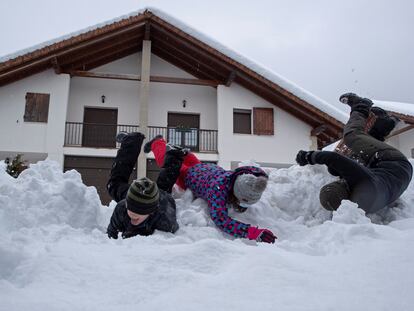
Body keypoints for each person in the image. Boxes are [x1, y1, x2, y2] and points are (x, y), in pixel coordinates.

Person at [144, 136, 277, 244]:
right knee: (166, 161)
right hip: (187, 176)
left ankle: (177, 151)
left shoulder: (236, 175)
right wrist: (252, 232)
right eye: (244, 203)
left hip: (201, 167)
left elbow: (254, 171)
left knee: (180, 155)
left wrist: (260, 179)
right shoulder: (218, 191)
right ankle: (157, 143)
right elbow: (222, 221)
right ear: (236, 195)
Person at [296, 93, 413, 213]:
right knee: (352, 137)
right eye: (340, 184)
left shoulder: (361, 207)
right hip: (391, 160)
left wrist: (335, 170)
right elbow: (331, 157)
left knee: (356, 155)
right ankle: (361, 106)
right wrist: (308, 157)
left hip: (398, 176)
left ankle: (384, 125)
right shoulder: (361, 181)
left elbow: (346, 167)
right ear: (344, 188)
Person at [106, 132, 182, 239]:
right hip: (135, 195)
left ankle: (175, 155)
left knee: (165, 184)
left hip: (162, 198)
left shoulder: (165, 221)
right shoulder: (122, 209)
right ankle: (131, 141)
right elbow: (110, 235)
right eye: (130, 209)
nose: (132, 215)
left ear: (150, 213)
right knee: (114, 185)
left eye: (137, 212)